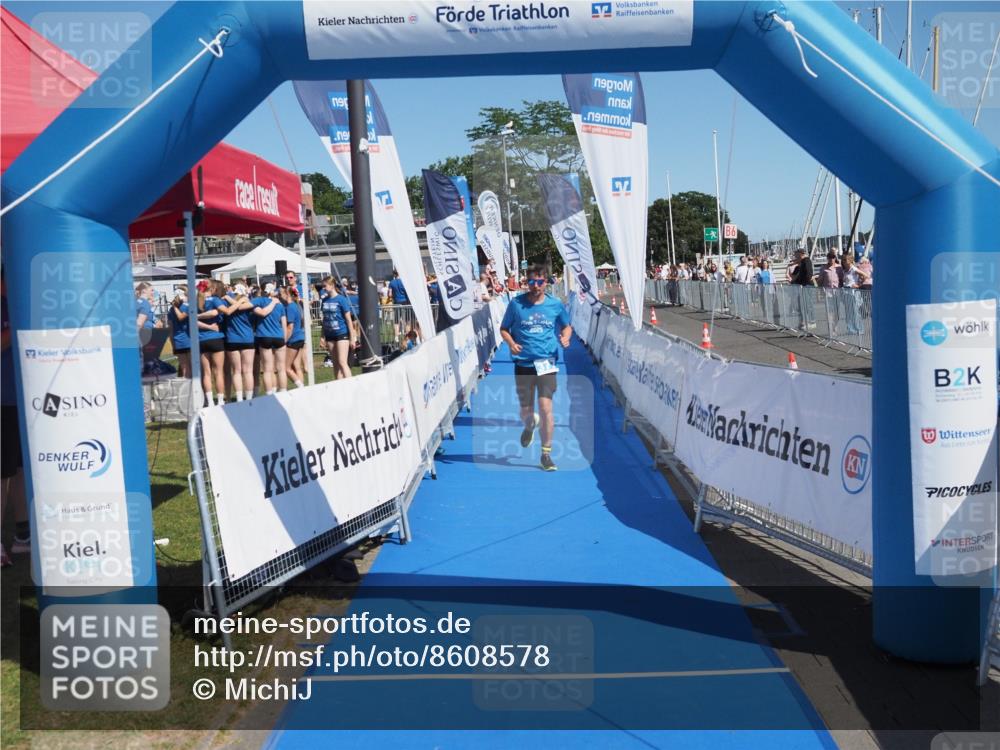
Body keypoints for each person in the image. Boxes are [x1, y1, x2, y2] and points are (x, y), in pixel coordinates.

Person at [500, 265, 572, 472]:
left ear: (546, 282)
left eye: (540, 282)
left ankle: (546, 454)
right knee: (526, 411)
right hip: (523, 364)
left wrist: (566, 336)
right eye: (532, 282)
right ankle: (529, 425)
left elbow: (567, 326)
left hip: (547, 363)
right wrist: (512, 344)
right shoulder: (516, 305)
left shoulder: (555, 305)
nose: (536, 286)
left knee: (546, 408)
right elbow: (504, 329)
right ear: (526, 282)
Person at [1, 272, 30, 566]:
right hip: (2, 401)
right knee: (2, 476)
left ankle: (23, 537)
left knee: (21, 471)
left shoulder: (16, 305)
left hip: (23, 401)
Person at [219, 282, 257, 401]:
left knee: (236, 371)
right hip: (247, 338)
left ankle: (240, 398)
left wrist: (228, 298)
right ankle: (249, 398)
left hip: (232, 339)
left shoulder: (227, 302)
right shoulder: (247, 302)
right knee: (248, 371)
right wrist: (241, 301)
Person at [252, 283, 287, 394]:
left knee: (267, 369)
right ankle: (283, 391)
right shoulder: (280, 305)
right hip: (278, 336)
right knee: (281, 368)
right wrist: (284, 339)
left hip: (264, 336)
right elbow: (284, 323)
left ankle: (269, 393)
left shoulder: (260, 302)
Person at [319, 276, 356, 380]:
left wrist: (352, 338)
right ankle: (339, 385)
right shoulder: (325, 300)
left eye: (325, 286)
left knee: (342, 362)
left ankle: (350, 384)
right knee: (335, 364)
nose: (323, 288)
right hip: (330, 335)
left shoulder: (341, 299)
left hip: (341, 333)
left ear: (332, 285)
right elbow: (324, 320)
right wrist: (322, 336)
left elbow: (349, 320)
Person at [197, 281, 227, 406]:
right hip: (216, 338)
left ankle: (210, 401)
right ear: (213, 288)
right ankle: (220, 400)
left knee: (207, 372)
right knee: (218, 372)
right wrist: (212, 328)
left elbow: (193, 321)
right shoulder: (215, 300)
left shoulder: (197, 301)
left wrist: (199, 317)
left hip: (202, 339)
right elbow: (217, 312)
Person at [284, 285, 307, 388]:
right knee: (296, 366)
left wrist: (284, 341)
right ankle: (301, 388)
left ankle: (301, 386)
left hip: (294, 339)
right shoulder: (296, 305)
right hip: (300, 337)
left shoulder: (290, 307)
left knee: (286, 368)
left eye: (281, 294)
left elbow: (290, 327)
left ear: (287, 294)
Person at [167, 285, 192, 378]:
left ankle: (188, 391)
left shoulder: (171, 310)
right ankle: (196, 390)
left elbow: (170, 329)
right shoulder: (187, 306)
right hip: (189, 340)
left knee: (185, 369)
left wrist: (173, 345)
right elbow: (181, 318)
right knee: (193, 368)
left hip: (178, 341)